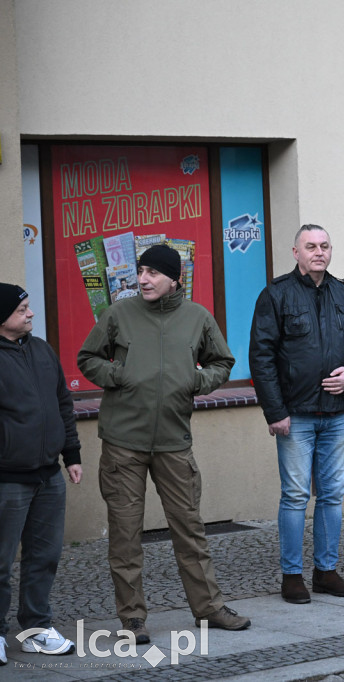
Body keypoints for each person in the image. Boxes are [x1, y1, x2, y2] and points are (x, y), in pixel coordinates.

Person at [77, 245, 249, 643]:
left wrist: (196, 381)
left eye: (153, 272)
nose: (143, 279)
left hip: (174, 442)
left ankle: (209, 609)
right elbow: (88, 358)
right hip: (123, 443)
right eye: (140, 271)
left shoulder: (197, 317)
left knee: (189, 529)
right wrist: (119, 374)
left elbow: (222, 362)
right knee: (125, 533)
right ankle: (132, 619)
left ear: (175, 278)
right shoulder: (119, 314)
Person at [250, 224, 344, 603]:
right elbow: (262, 357)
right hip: (295, 416)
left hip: (336, 414)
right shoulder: (276, 295)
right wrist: (275, 411)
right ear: (296, 253)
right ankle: (292, 576)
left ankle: (326, 571)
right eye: (310, 246)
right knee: (294, 495)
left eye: (324, 246)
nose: (318, 252)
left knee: (333, 495)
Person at [0, 285, 82, 664]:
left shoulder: (41, 349)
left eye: (29, 308)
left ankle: (35, 629)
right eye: (22, 310)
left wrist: (72, 454)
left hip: (49, 475)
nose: (30, 315)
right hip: (7, 479)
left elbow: (62, 402)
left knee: (43, 557)